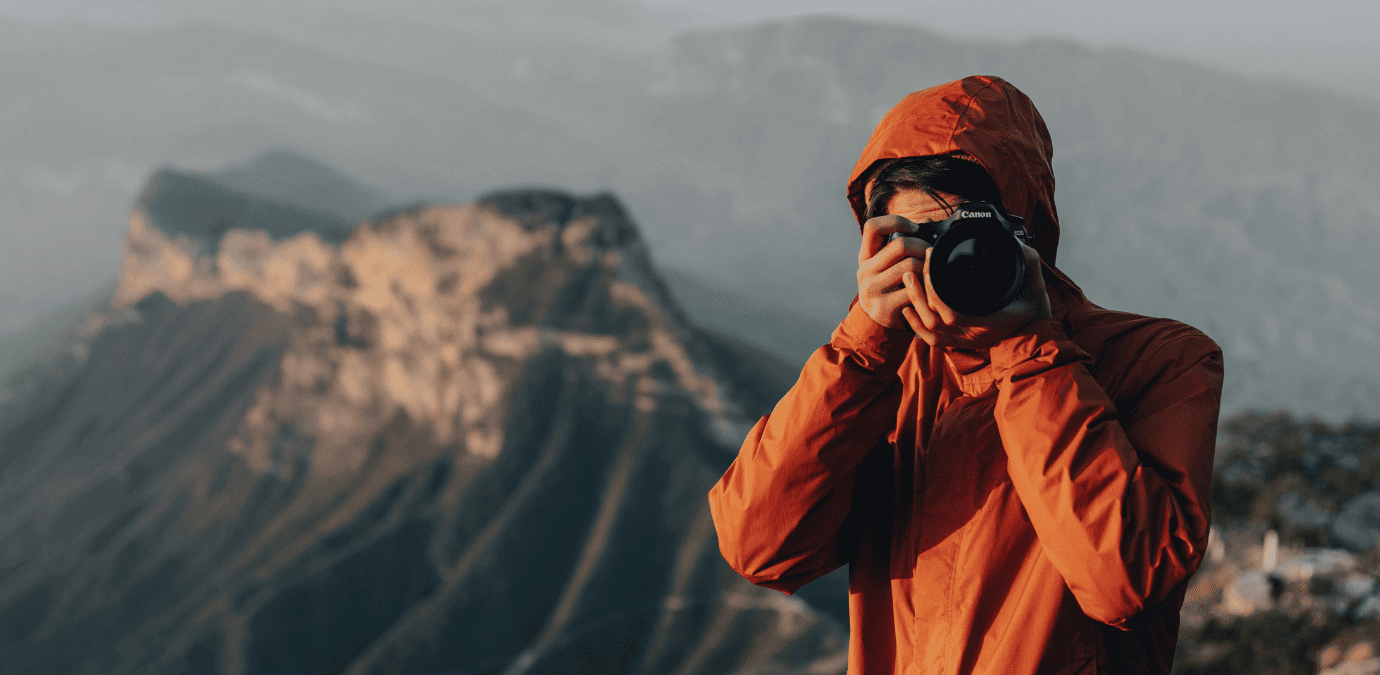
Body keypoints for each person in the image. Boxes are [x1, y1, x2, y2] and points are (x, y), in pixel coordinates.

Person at [707, 75, 1224, 674]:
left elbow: (1128, 585)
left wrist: (1029, 352)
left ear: (1026, 231)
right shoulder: (883, 376)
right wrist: (862, 349)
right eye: (918, 238)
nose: (951, 258)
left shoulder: (1162, 360)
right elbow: (761, 547)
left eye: (967, 234)